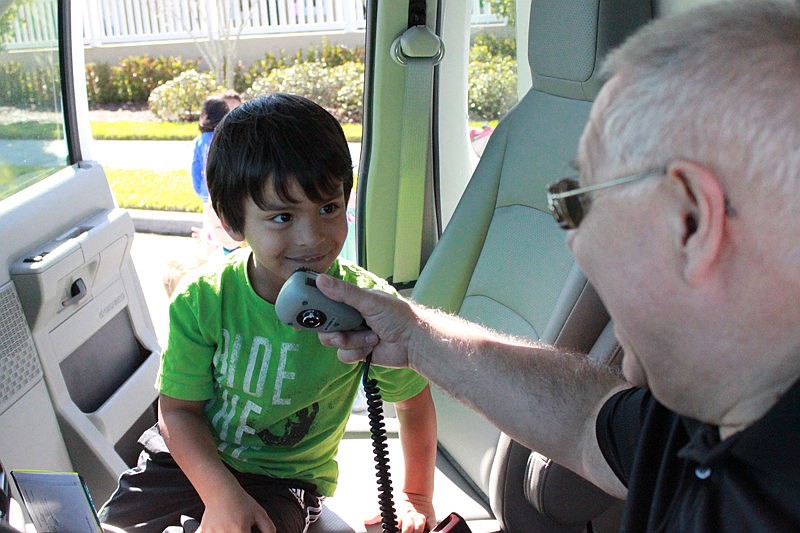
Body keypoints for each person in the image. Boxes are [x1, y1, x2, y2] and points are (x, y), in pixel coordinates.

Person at [313, 1, 800, 530]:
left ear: (689, 220)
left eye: (580, 201)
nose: (575, 245)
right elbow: (586, 424)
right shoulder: (706, 415)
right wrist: (414, 338)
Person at [99, 94, 438, 533]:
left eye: (328, 208)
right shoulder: (204, 300)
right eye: (282, 216)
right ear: (233, 222)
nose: (312, 237)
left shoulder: (370, 307)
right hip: (189, 460)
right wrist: (222, 496)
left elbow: (412, 401)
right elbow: (179, 411)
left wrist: (415, 496)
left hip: (286, 481)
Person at [191, 96, 244, 253]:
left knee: (213, 228)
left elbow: (195, 169)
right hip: (228, 191)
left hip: (207, 194)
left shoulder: (200, 141)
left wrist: (201, 191)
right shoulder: (227, 138)